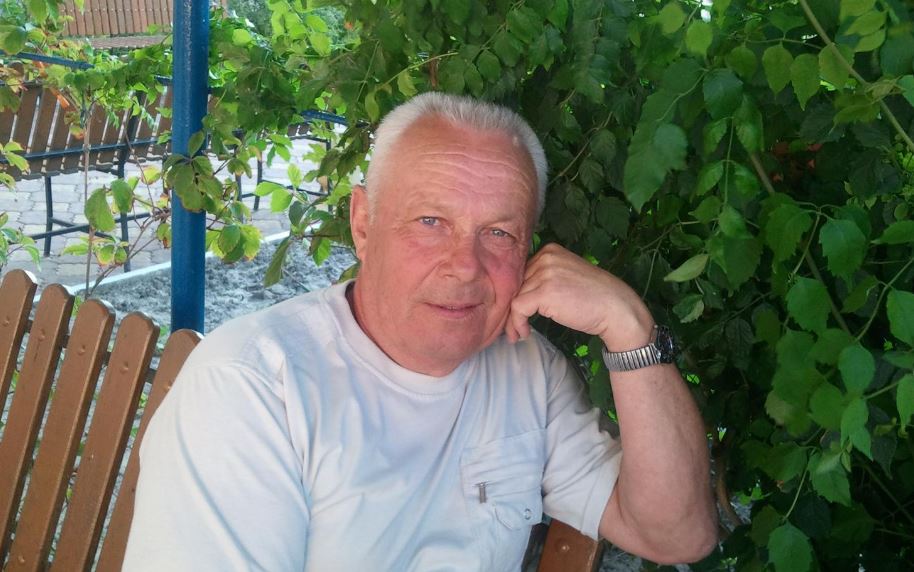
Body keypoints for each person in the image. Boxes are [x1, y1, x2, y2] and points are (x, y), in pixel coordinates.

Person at [123, 92, 717, 571]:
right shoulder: (254, 387)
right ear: (363, 224)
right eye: (431, 221)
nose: (465, 265)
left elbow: (678, 534)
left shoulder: (527, 370)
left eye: (499, 233)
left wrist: (629, 327)